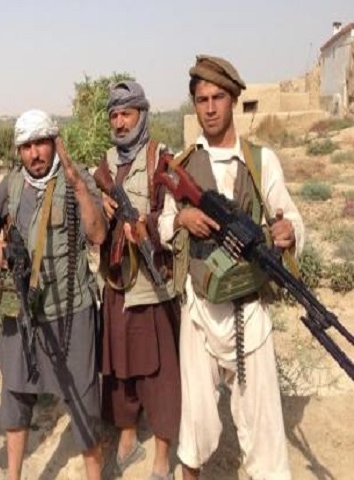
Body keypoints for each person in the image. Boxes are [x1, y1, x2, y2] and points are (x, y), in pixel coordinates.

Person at [158, 55, 305, 480]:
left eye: (217, 97)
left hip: (249, 308)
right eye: (201, 99)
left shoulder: (261, 161)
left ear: (234, 100)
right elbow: (163, 224)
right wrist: (183, 219)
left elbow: (292, 218)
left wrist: (287, 232)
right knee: (196, 424)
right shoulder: (183, 165)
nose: (209, 108)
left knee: (264, 428)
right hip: (200, 309)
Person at [0, 109, 107, 480]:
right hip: (24, 309)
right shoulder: (13, 185)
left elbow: (98, 234)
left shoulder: (76, 179)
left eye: (41, 143)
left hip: (71, 309)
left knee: (84, 399)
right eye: (27, 146)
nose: (35, 153)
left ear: (55, 143)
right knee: (15, 395)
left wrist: (79, 187)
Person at [94, 81, 181, 480]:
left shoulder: (160, 159)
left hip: (152, 283)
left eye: (126, 114)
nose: (120, 122)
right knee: (119, 369)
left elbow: (175, 216)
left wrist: (146, 226)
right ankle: (127, 439)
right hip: (117, 283)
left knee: (160, 374)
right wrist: (101, 203)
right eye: (114, 115)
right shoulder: (106, 164)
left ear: (142, 115)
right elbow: (90, 214)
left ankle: (162, 456)